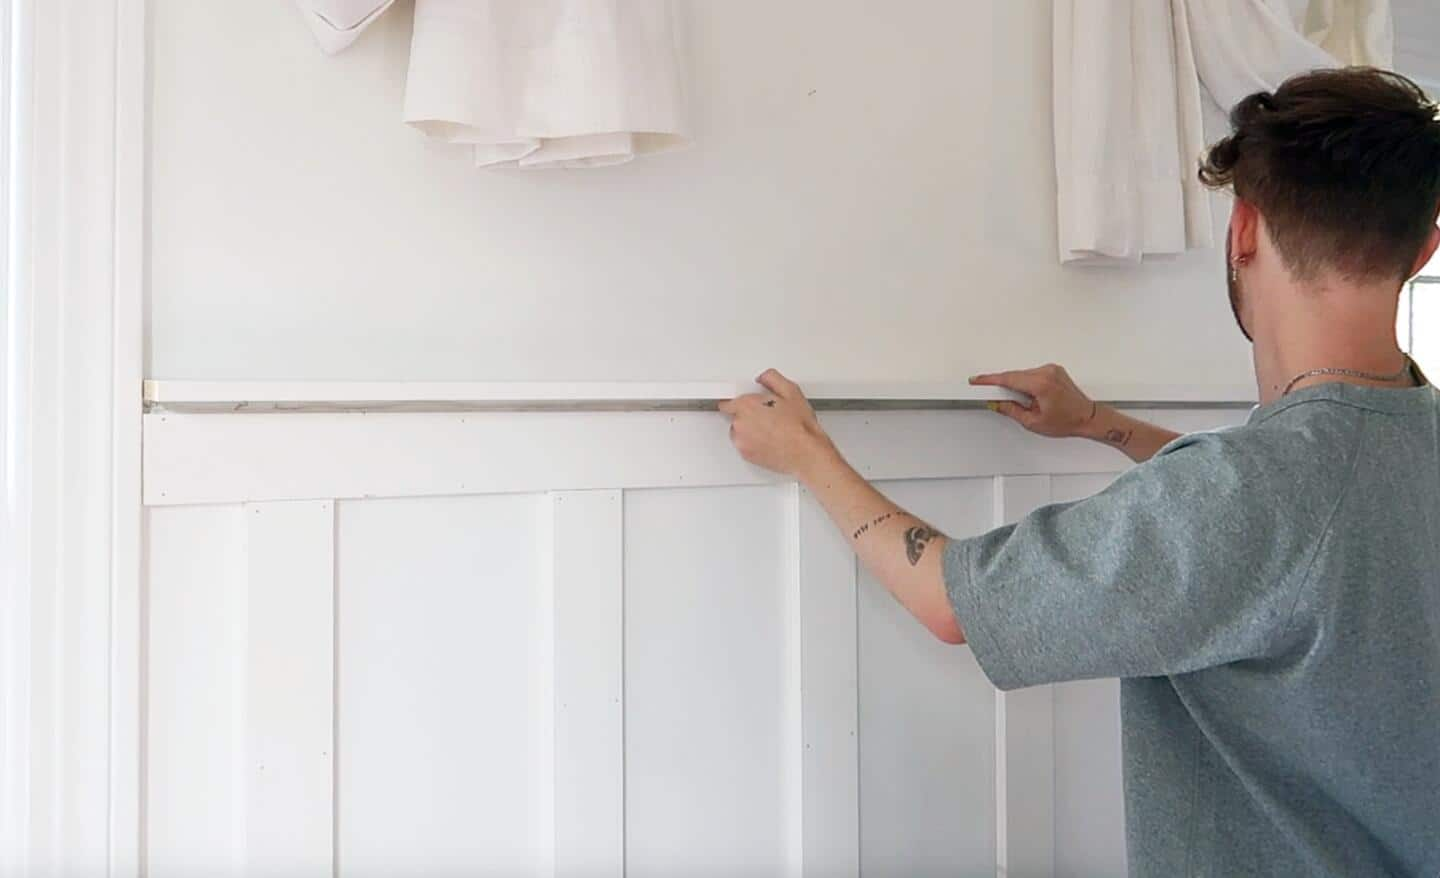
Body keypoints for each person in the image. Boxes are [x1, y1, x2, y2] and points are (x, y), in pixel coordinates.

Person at [720, 67, 1440, 877]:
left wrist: (806, 453)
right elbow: (1275, 529)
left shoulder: (1257, 490)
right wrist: (1102, 425)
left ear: (1243, 230)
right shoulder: (1391, 445)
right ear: (1425, 244)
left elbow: (954, 601)